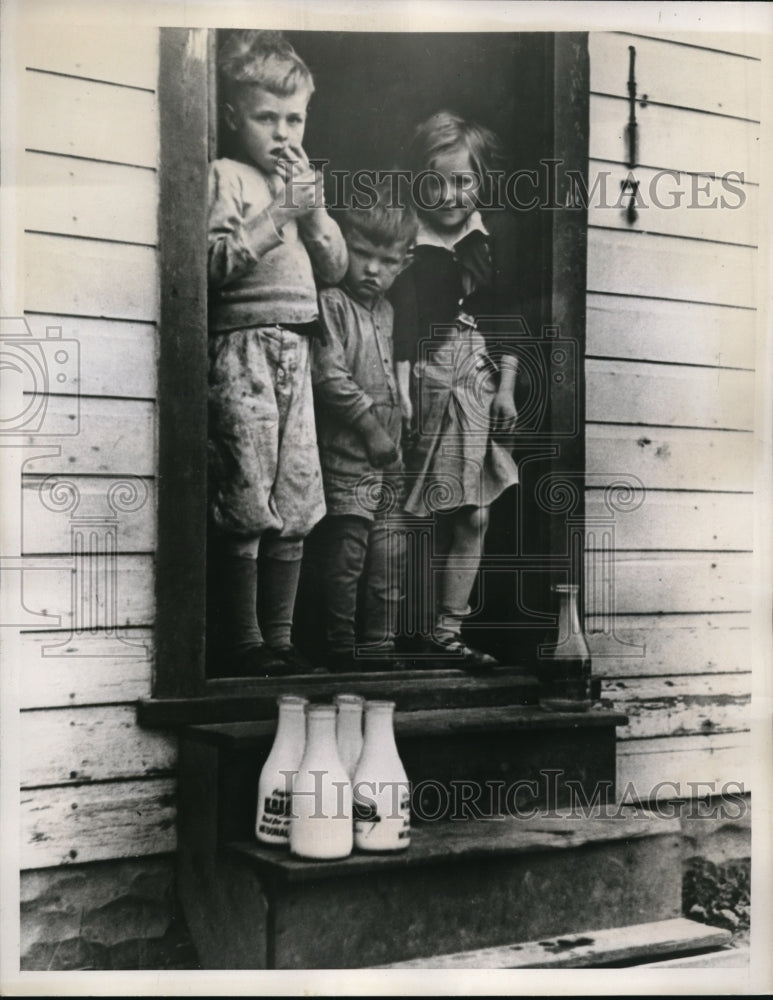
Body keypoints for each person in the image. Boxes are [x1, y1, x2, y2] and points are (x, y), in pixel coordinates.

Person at [207, 30, 347, 676]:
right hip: (242, 351)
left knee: (295, 494)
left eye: (294, 118)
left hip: (296, 348)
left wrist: (313, 214)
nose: (283, 132)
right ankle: (242, 641)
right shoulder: (225, 176)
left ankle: (281, 639)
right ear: (234, 116)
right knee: (244, 494)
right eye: (267, 117)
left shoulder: (300, 185)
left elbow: (337, 267)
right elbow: (213, 263)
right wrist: (277, 214)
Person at [390, 110, 522, 670]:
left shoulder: (486, 239)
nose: (450, 193)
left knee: (473, 513)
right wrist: (399, 387)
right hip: (418, 377)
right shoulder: (404, 238)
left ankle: (448, 630)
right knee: (411, 510)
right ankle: (399, 630)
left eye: (463, 179)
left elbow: (506, 318)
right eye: (437, 179)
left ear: (480, 180)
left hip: (477, 379)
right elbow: (391, 321)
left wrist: (506, 388)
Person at [311, 182, 417, 672]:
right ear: (342, 246)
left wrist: (398, 419)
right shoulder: (332, 303)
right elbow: (329, 374)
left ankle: (379, 643)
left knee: (390, 554)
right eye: (362, 253)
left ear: (405, 262)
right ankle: (338, 643)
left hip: (389, 459)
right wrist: (371, 427)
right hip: (348, 455)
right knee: (347, 556)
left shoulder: (388, 310)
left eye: (388, 260)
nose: (373, 269)